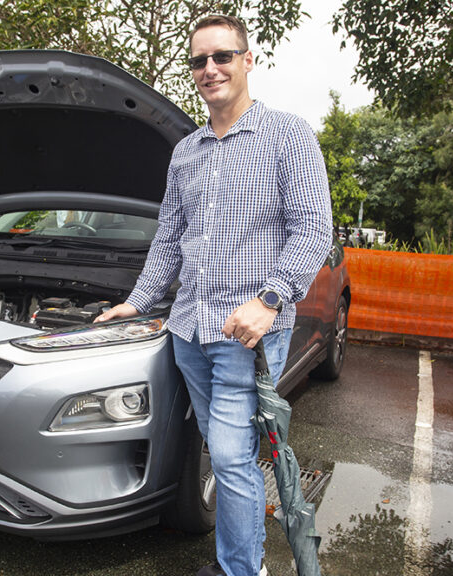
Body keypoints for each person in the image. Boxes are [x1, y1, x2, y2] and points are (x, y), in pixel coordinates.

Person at [94, 14, 332, 576]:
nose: (210, 69)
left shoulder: (288, 135)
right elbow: (171, 237)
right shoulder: (187, 152)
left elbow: (314, 228)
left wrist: (270, 298)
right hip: (188, 333)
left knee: (229, 459)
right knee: (231, 459)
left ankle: (241, 570)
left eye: (222, 56)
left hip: (245, 336)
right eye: (199, 60)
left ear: (248, 61)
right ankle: (245, 565)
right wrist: (139, 298)